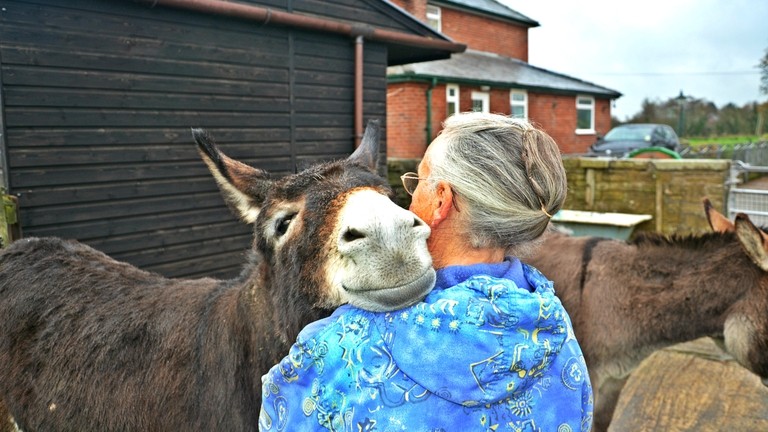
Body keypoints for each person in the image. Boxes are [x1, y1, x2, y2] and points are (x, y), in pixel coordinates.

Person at [260, 112, 593, 431]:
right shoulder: (558, 333)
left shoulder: (338, 351)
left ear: (439, 201)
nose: (408, 198)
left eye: (418, 181)